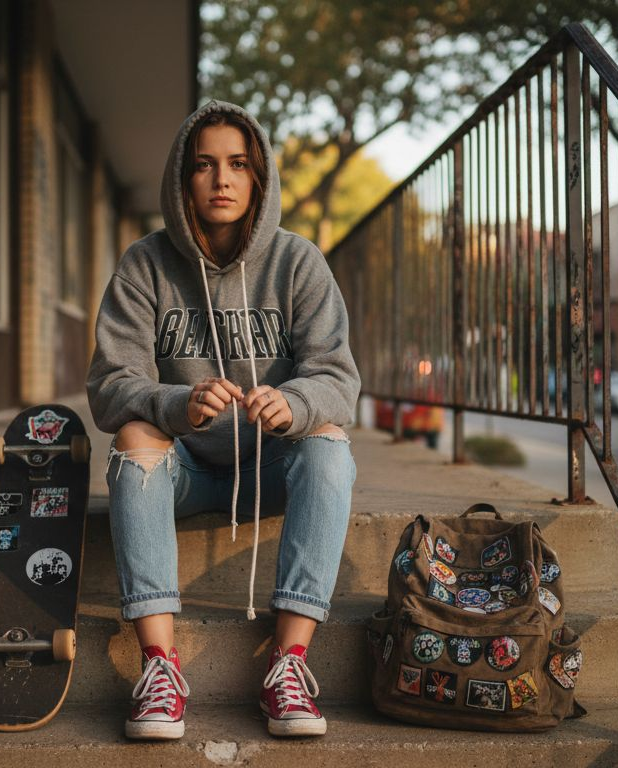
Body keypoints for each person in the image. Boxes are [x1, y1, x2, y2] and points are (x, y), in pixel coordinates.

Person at [86, 101, 360, 740]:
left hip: (270, 468)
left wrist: (293, 404)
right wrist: (173, 405)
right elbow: (108, 385)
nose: (222, 180)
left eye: (238, 164)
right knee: (131, 436)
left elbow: (338, 379)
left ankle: (288, 663)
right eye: (204, 166)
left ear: (258, 178)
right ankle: (159, 667)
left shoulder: (298, 264)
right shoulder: (145, 265)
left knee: (329, 442)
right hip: (181, 468)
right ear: (184, 180)